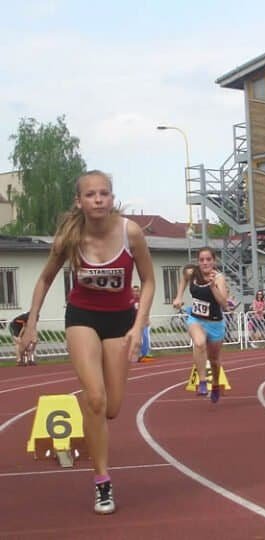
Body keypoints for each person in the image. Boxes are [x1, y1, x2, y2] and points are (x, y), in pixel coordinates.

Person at [19, 170, 155, 515]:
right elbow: (45, 278)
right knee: (95, 398)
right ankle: (102, 481)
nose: (98, 200)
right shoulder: (71, 236)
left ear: (112, 198)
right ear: (79, 201)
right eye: (91, 195)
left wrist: (138, 327)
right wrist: (31, 324)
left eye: (104, 194)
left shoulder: (130, 232)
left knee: (111, 408)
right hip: (81, 316)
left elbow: (150, 282)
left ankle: (92, 405)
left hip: (120, 320)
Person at [172, 247, 229, 403]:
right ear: (198, 262)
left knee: (215, 361)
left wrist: (212, 286)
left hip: (215, 323)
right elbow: (183, 277)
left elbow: (224, 304)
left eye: (208, 259)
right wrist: (178, 297)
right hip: (196, 319)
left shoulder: (218, 278)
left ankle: (216, 385)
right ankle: (202, 382)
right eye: (202, 260)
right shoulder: (193, 273)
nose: (205, 263)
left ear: (214, 261)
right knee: (199, 342)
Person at [132, 285, 151, 362]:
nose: (136, 292)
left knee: (145, 337)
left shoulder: (142, 300)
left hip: (142, 321)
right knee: (135, 338)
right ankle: (136, 354)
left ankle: (145, 354)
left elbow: (146, 310)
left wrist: (147, 319)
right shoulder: (130, 300)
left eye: (137, 291)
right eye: (134, 291)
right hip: (133, 322)